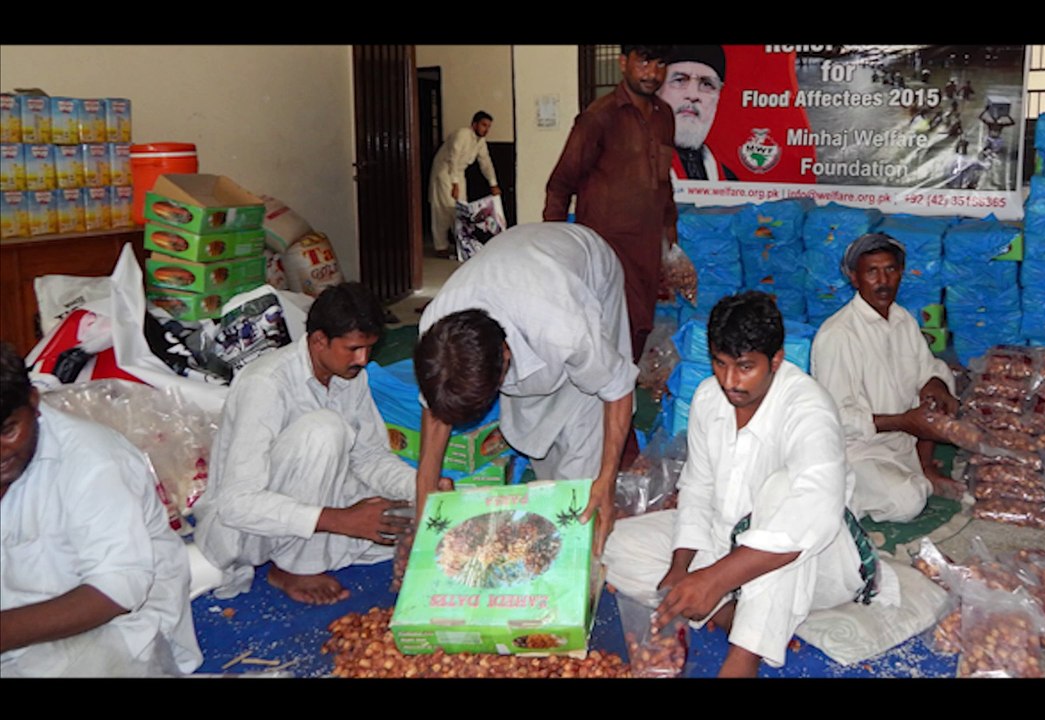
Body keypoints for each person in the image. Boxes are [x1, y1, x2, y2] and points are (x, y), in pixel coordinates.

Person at [602, 292, 886, 677]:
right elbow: (698, 488)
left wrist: (714, 578)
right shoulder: (709, 398)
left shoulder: (809, 409)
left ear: (776, 360)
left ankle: (744, 656)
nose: (730, 381)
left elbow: (811, 519)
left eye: (745, 367)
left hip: (816, 561)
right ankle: (734, 613)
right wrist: (681, 566)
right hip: (728, 543)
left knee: (781, 502)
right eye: (720, 364)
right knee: (617, 545)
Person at [414, 222, 638, 556]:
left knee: (578, 487)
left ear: (505, 357)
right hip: (518, 268)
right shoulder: (437, 330)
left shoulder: (564, 329)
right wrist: (425, 493)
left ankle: (579, 557)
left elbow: (617, 388)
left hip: (587, 267)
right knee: (545, 460)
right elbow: (436, 411)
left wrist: (605, 480)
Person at [194, 283, 415, 605]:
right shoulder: (266, 383)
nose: (364, 359)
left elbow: (369, 456)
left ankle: (315, 546)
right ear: (319, 340)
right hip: (245, 527)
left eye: (369, 348)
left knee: (410, 523)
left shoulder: (351, 375)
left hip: (317, 501)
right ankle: (293, 566)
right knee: (324, 429)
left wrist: (419, 487)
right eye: (354, 348)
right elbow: (235, 504)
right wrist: (343, 520)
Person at [0, 342, 201, 677]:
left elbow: (118, 590)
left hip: (111, 630)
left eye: (8, 431)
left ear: (34, 403)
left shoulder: (94, 461)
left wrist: (4, 632)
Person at [811, 233, 965, 524]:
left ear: (901, 272)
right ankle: (845, 493)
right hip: (859, 451)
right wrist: (903, 421)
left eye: (890, 270)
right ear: (854, 278)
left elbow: (928, 367)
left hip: (902, 440)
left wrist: (936, 384)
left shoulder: (902, 319)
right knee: (907, 501)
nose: (883, 281)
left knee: (938, 393)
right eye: (872, 272)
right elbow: (837, 419)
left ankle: (922, 467)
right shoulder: (838, 335)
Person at [544, 44, 678, 362]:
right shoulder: (599, 117)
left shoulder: (664, 116)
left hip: (646, 251)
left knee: (639, 328)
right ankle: (606, 391)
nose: (653, 73)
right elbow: (560, 184)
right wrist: (555, 250)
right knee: (603, 333)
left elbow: (664, 184)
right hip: (604, 250)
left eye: (660, 64)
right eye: (644, 62)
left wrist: (670, 242)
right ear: (623, 63)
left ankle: (623, 389)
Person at [658, 45, 737, 182]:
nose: (693, 95)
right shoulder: (630, 166)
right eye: (679, 80)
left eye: (707, 84)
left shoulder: (729, 181)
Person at [429, 111, 501, 259]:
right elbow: (453, 158)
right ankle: (441, 247)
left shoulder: (480, 141)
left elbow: (485, 163)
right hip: (444, 171)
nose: (486, 129)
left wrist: (493, 183)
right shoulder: (462, 134)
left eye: (488, 126)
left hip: (459, 173)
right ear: (474, 124)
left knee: (461, 209)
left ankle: (461, 245)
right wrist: (454, 184)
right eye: (483, 125)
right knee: (444, 208)